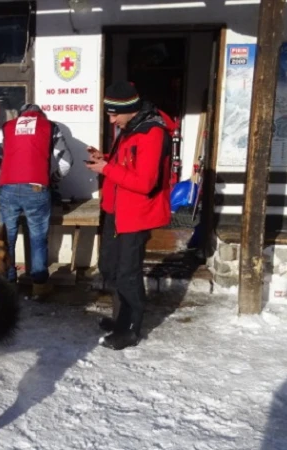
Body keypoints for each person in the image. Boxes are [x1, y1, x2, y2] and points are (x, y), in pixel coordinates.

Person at [84, 81, 174, 350]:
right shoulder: (129, 127)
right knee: (109, 267)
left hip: (136, 214)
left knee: (128, 273)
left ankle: (130, 329)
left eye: (114, 114)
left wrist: (106, 170)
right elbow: (126, 161)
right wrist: (106, 158)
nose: (111, 119)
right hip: (116, 210)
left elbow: (145, 182)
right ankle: (120, 319)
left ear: (130, 110)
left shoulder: (152, 132)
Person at [0, 104, 72, 298]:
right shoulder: (49, 126)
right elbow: (66, 162)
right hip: (37, 188)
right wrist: (52, 179)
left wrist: (9, 176)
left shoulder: (8, 127)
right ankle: (39, 287)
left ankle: (8, 286)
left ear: (21, 115)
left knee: (6, 238)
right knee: (37, 238)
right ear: (40, 115)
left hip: (8, 188)